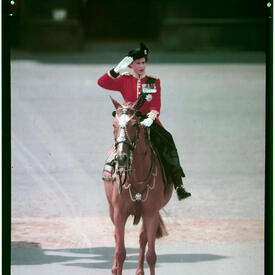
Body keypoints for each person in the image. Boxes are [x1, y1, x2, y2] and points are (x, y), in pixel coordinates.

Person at [97, 42, 191, 200]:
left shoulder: (152, 82)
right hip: (129, 120)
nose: (141, 66)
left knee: (167, 142)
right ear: (131, 65)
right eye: (138, 63)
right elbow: (102, 83)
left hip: (149, 121)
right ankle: (111, 171)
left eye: (143, 62)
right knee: (120, 142)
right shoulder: (124, 80)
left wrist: (151, 118)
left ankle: (178, 184)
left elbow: (156, 105)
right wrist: (116, 70)